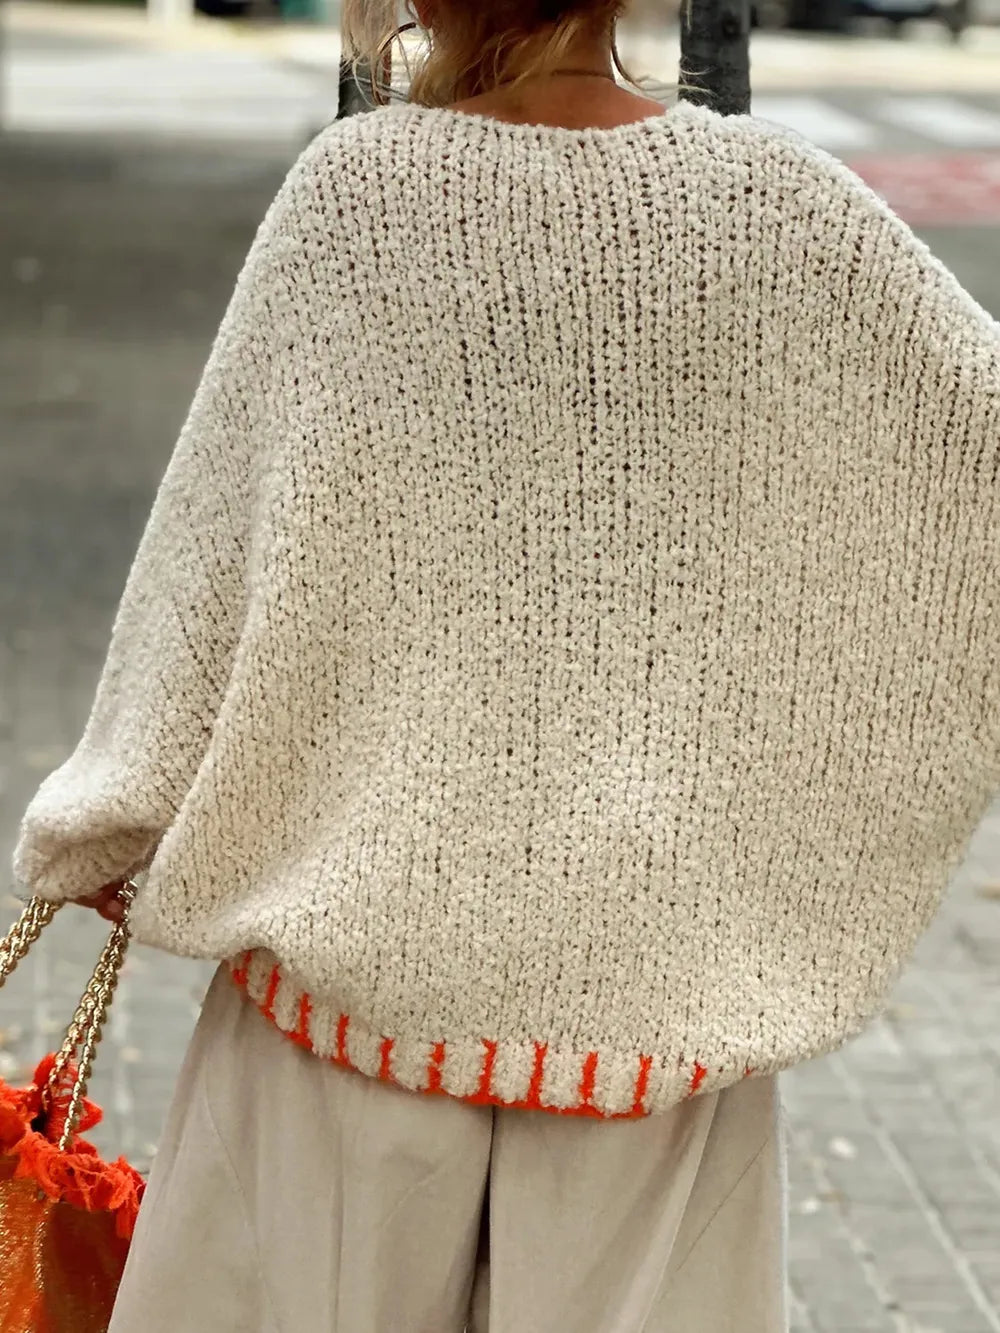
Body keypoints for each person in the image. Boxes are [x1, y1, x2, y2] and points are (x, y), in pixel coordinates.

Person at [13, 0, 1000, 1328]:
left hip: (342, 1021)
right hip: (648, 1034)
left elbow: (216, 558)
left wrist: (108, 817)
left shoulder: (355, 199)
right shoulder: (780, 207)